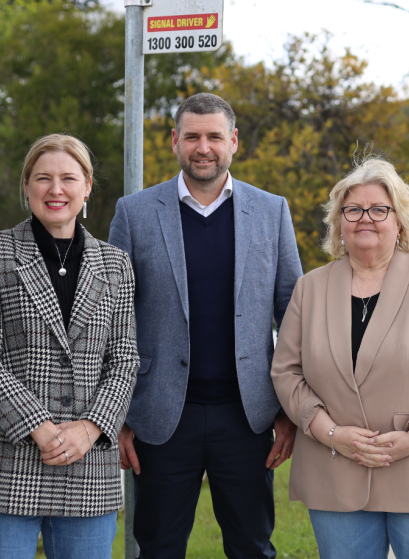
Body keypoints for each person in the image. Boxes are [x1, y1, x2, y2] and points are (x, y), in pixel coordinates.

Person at [108, 93, 304, 559]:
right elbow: (112, 323)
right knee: (157, 548)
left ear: (233, 142)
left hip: (248, 416)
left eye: (214, 136)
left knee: (252, 547)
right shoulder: (134, 213)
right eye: (192, 136)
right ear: (175, 141)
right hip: (158, 418)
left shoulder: (272, 211)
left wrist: (289, 411)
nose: (203, 147)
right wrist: (117, 417)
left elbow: (293, 318)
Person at [271, 157, 409, 559]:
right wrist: (330, 432)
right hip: (336, 471)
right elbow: (286, 371)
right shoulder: (309, 289)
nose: (365, 218)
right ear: (339, 223)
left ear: (399, 220)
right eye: (353, 210)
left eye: (379, 209)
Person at [0, 134, 139, 559]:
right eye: (43, 178)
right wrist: (38, 426)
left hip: (88, 466)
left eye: (68, 178)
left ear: (87, 186)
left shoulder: (116, 264)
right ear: (27, 186)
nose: (56, 190)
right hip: (5, 462)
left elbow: (126, 359)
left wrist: (90, 428)